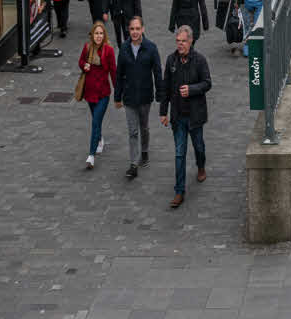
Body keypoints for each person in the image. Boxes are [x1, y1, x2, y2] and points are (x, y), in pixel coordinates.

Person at [160, 26, 212, 209]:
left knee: (198, 146)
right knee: (179, 153)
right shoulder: (171, 60)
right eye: (178, 41)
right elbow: (165, 87)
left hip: (195, 115)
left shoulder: (199, 60)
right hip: (178, 116)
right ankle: (179, 191)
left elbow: (207, 83)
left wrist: (192, 90)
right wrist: (163, 112)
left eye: (183, 41)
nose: (180, 44)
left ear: (190, 41)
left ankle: (201, 166)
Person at [113, 15, 162, 180]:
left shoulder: (151, 48)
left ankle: (145, 151)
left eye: (137, 29)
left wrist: (160, 93)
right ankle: (133, 164)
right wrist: (117, 96)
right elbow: (119, 74)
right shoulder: (124, 48)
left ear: (143, 29)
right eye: (132, 29)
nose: (134, 32)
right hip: (129, 96)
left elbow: (157, 72)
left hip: (145, 95)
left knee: (144, 127)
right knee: (133, 131)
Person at [78, 22, 116, 169]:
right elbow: (80, 61)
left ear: (104, 35)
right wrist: (84, 66)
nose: (99, 36)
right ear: (92, 35)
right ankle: (99, 138)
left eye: (101, 33)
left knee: (95, 122)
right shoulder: (87, 48)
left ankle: (91, 155)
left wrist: (118, 94)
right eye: (96, 33)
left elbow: (113, 71)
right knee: (96, 119)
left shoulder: (109, 51)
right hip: (90, 93)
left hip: (103, 94)